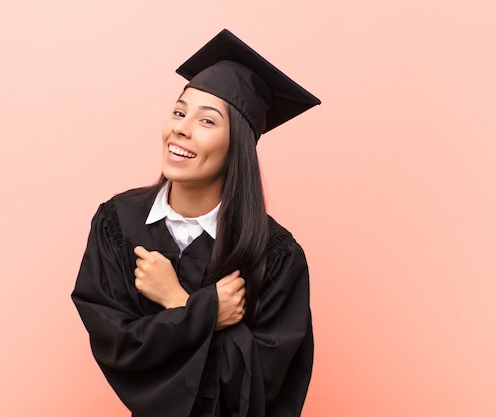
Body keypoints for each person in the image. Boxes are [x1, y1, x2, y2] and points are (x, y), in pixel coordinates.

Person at [71, 29, 320, 417]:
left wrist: (179, 301)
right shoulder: (117, 223)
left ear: (238, 144)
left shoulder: (276, 255)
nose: (181, 128)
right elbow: (120, 349)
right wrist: (208, 315)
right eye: (179, 111)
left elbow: (259, 389)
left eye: (206, 121)